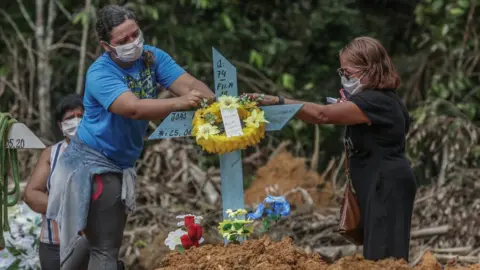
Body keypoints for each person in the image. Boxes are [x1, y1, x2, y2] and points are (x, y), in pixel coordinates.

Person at [45, 4, 215, 269]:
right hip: (92, 164)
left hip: (116, 162)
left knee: (97, 238)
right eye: (122, 41)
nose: (131, 43)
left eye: (134, 34)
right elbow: (132, 108)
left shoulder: (151, 57)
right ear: (106, 46)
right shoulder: (100, 73)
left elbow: (190, 85)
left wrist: (211, 101)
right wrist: (180, 103)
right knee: (105, 249)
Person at [251, 36, 417, 262]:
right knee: (375, 256)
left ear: (370, 69)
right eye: (342, 73)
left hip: (386, 185)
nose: (345, 79)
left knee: (385, 259)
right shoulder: (375, 102)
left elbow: (321, 115)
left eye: (349, 73)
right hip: (376, 186)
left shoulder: (377, 101)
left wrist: (277, 101)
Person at [24, 94, 90, 270]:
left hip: (93, 244)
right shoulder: (51, 154)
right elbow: (31, 194)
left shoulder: (103, 152)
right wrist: (69, 208)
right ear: (61, 126)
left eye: (81, 116)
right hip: (54, 245)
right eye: (70, 118)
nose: (76, 121)